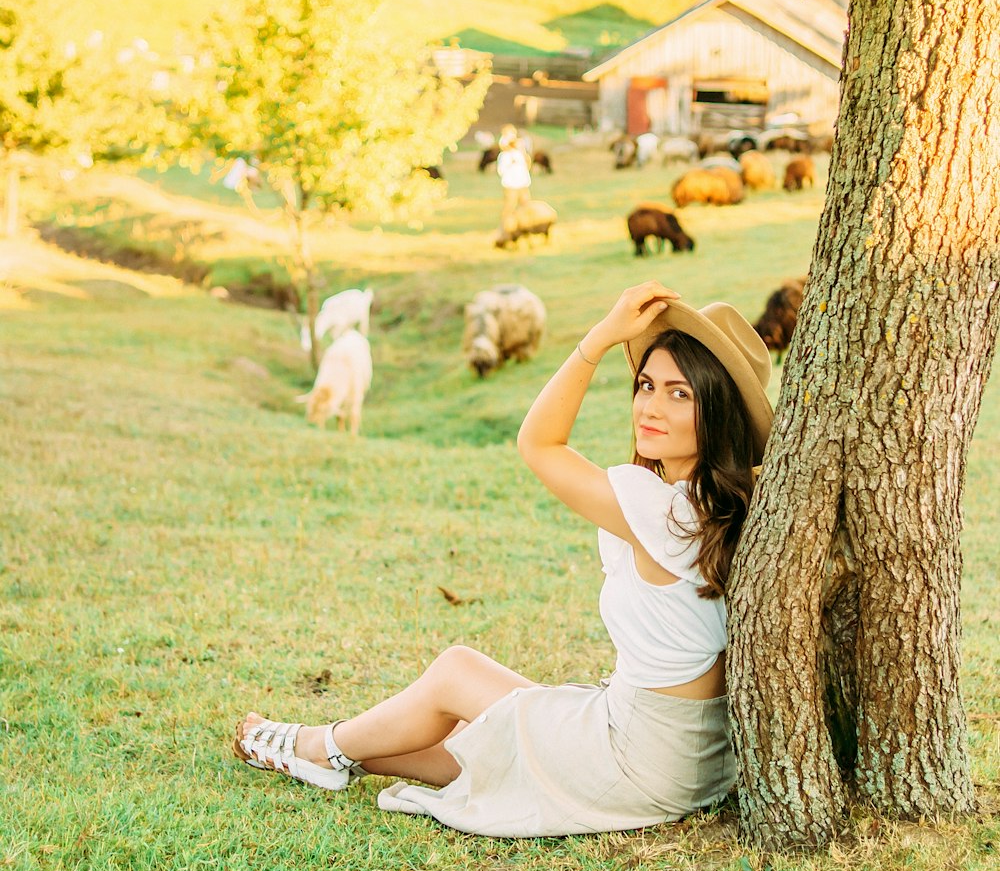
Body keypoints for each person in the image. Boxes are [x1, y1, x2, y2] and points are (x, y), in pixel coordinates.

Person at [233, 281, 774, 837]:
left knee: (457, 671)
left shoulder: (658, 507)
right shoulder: (724, 504)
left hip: (639, 755)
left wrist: (601, 338)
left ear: (717, 410)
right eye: (645, 386)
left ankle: (316, 745)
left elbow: (538, 443)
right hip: (698, 760)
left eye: (679, 394)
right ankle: (339, 750)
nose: (651, 407)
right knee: (485, 732)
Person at [495, 123, 532, 236]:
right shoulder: (504, 156)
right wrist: (510, 163)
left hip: (522, 183)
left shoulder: (520, 153)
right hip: (510, 185)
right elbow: (501, 171)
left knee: (526, 206)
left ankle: (526, 227)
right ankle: (504, 228)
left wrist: (522, 151)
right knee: (509, 207)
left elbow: (528, 165)